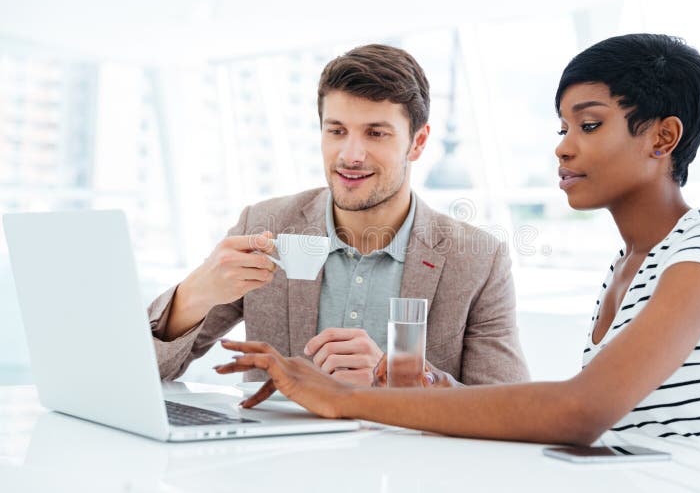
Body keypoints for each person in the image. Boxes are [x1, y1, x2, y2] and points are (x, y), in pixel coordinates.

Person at [214, 34, 700, 453]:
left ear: (663, 137)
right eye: (562, 127)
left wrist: (343, 397)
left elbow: (581, 410)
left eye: (588, 125)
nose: (563, 148)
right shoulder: (633, 263)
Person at [149, 44, 529, 387]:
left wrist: (396, 375)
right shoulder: (265, 228)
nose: (351, 155)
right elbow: (144, 370)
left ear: (418, 143)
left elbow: (509, 411)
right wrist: (195, 293)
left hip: (409, 463)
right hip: (275, 461)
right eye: (336, 130)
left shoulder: (477, 260)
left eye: (376, 133)